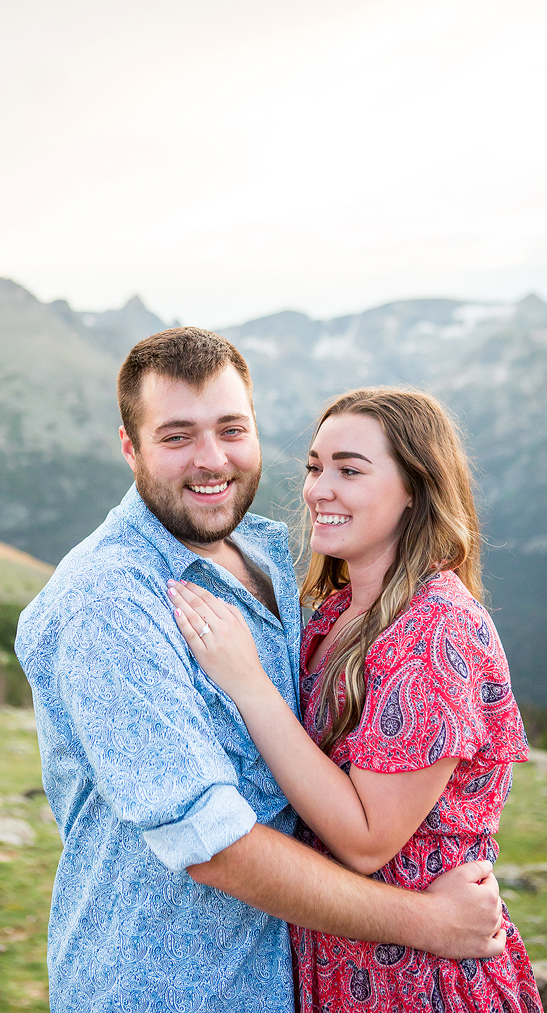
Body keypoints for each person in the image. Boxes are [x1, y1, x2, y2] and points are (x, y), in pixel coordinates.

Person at [16, 331, 505, 1013]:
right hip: (169, 990)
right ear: (130, 449)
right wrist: (428, 922)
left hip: (301, 979)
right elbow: (210, 842)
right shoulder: (108, 602)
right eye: (177, 435)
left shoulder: (272, 558)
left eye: (231, 429)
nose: (211, 459)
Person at [166, 385, 542, 1013]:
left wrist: (248, 681)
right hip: (343, 966)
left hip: (420, 980)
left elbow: (368, 840)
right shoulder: (336, 616)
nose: (318, 490)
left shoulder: (433, 630)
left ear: (416, 491)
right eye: (315, 467)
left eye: (350, 470)